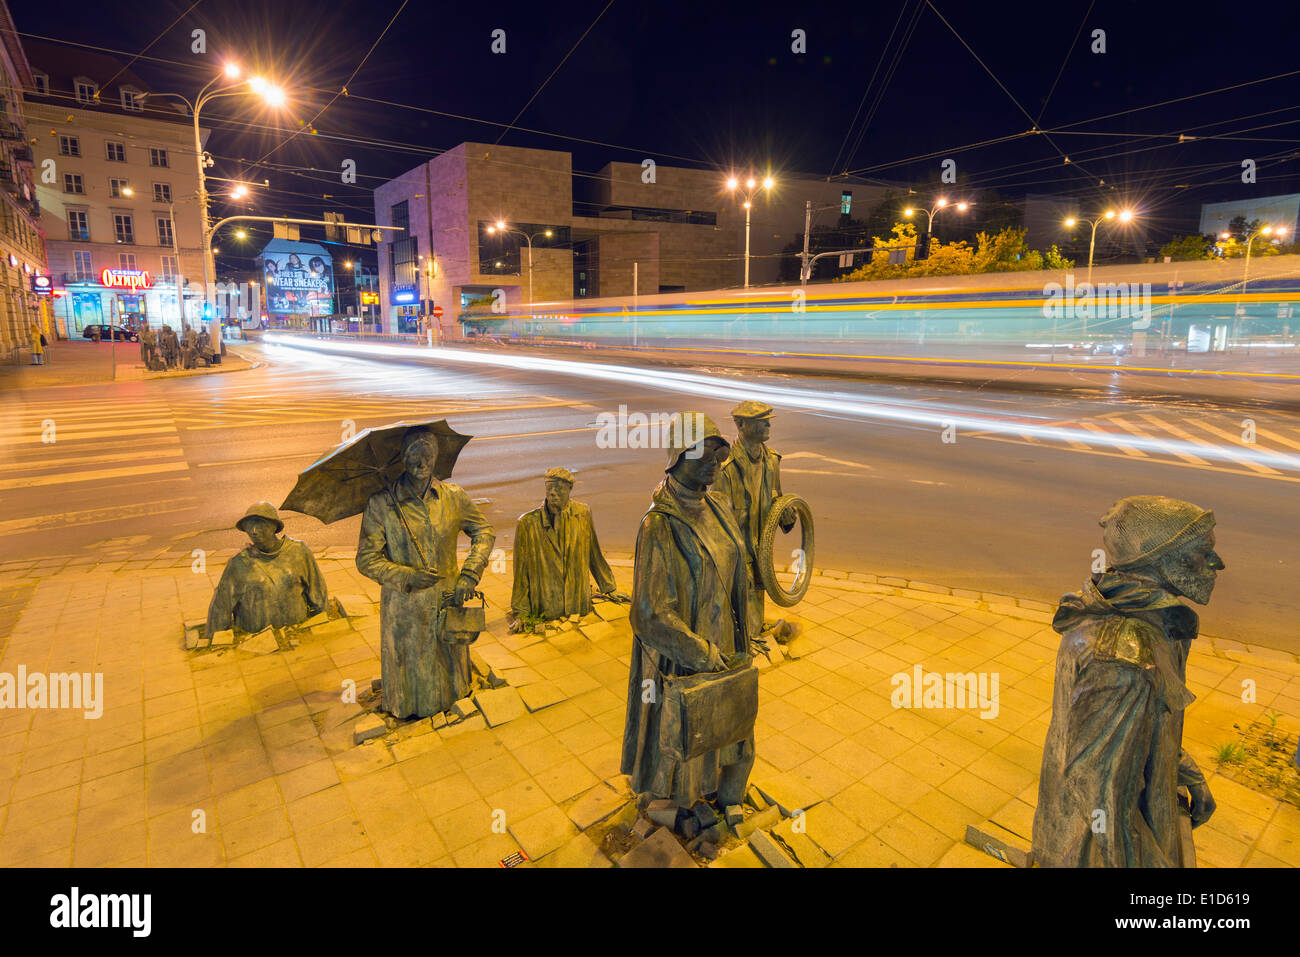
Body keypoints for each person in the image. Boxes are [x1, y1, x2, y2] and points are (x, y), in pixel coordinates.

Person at [1032, 495, 1224, 868]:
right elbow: (1101, 799)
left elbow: (1137, 737)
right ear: (1160, 561)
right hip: (1094, 850)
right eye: (1204, 551)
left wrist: (1186, 772)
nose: (1217, 563)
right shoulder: (1126, 657)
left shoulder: (1147, 618)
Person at [622, 411, 757, 811]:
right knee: (687, 730)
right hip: (686, 653)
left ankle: (722, 793)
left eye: (718, 456)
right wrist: (701, 651)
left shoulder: (718, 505)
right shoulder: (659, 524)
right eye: (706, 457)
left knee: (731, 727)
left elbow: (737, 569)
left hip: (726, 643)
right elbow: (648, 612)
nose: (715, 465)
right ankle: (682, 803)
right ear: (679, 457)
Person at [356, 429, 496, 719]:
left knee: (449, 670)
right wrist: (407, 576)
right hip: (404, 608)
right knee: (411, 672)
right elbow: (366, 559)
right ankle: (410, 709)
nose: (422, 463)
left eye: (428, 456)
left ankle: (452, 699)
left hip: (447, 599)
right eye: (415, 456)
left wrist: (470, 573)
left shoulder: (453, 497)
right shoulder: (382, 504)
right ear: (403, 459)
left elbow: (484, 531)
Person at [712, 400, 796, 640]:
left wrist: (786, 516)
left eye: (768, 419)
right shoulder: (725, 467)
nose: (768, 425)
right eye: (761, 420)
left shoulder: (772, 461)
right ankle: (741, 638)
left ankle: (753, 632)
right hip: (736, 550)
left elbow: (776, 500)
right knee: (738, 597)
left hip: (761, 547)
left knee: (758, 592)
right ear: (741, 424)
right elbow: (716, 518)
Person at [509, 467, 622, 630]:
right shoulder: (528, 523)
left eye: (559, 488)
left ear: (570, 489)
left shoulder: (583, 513)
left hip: (577, 602)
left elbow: (594, 554)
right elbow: (520, 571)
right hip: (547, 604)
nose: (553, 492)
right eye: (549, 487)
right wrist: (521, 613)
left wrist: (609, 587)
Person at [205, 502, 328, 637]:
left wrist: (321, 623)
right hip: (257, 641)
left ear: (274, 525)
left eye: (260, 523)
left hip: (297, 632)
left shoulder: (298, 551)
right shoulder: (238, 563)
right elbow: (221, 606)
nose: (254, 531)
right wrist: (217, 639)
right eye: (249, 525)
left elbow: (317, 592)